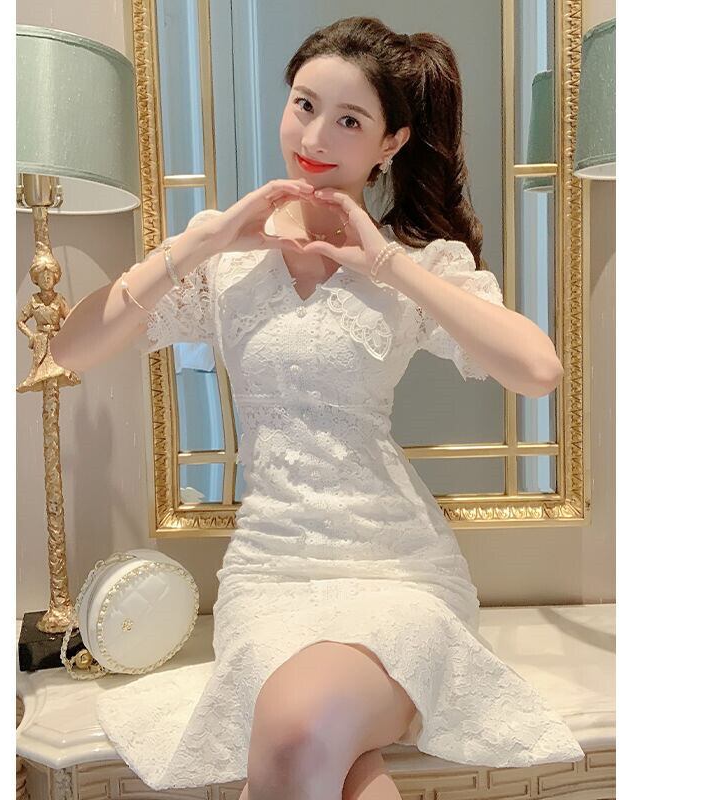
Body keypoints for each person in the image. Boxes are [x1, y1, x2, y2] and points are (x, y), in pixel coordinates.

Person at [48, 16, 580, 798]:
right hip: (268, 574)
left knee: (299, 732)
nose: (315, 135)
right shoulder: (224, 259)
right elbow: (71, 350)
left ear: (391, 142)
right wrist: (204, 242)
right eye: (304, 104)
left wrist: (386, 263)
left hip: (397, 570)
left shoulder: (416, 264)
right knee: (326, 753)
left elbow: (537, 370)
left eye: (350, 120)